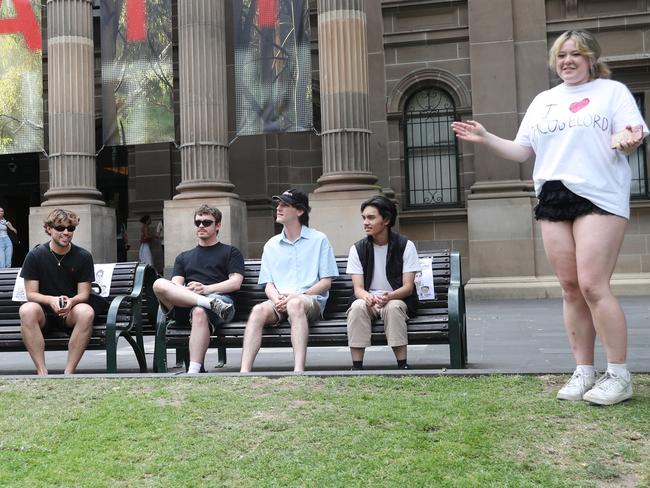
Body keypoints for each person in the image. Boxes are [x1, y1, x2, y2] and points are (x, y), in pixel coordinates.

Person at [451, 29, 648, 405]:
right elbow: (522, 151)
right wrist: (486, 137)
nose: (568, 61)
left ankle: (619, 375)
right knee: (570, 288)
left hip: (598, 194)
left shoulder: (613, 92)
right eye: (561, 55)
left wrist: (628, 139)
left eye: (576, 54)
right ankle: (583, 371)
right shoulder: (544, 101)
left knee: (593, 285)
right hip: (553, 194)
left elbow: (631, 132)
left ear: (591, 57)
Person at [240, 188, 339, 373]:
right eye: (278, 204)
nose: (279, 208)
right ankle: (244, 372)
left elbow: (326, 282)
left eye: (285, 204)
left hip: (309, 300)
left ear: (300, 211)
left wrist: (297, 295)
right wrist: (277, 299)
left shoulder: (319, 240)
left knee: (295, 304)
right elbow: (268, 284)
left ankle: (298, 370)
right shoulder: (271, 245)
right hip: (279, 301)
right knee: (257, 310)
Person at [153, 204, 244, 374]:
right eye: (198, 222)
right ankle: (208, 303)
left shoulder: (231, 252)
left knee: (199, 311)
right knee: (158, 284)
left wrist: (206, 289)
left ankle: (193, 372)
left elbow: (235, 283)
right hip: (187, 304)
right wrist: (190, 291)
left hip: (221, 305)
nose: (201, 226)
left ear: (218, 226)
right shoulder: (183, 257)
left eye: (207, 222)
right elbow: (175, 285)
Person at [346, 196, 421, 370]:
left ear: (386, 220)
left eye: (371, 217)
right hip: (369, 300)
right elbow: (358, 288)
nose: (365, 222)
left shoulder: (405, 246)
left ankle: (402, 364)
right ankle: (356, 366)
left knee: (393, 307)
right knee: (357, 307)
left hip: (397, 298)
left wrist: (389, 296)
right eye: (364, 217)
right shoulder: (358, 249)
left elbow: (408, 288)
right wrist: (367, 297)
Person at [19, 209, 96, 375]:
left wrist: (72, 302)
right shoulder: (35, 255)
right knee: (27, 309)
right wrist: (51, 300)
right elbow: (31, 294)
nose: (66, 233)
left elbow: (84, 294)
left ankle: (69, 372)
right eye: (60, 228)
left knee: (87, 312)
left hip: (70, 313)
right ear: (49, 229)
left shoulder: (83, 256)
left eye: (71, 229)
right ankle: (42, 372)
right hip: (43, 313)